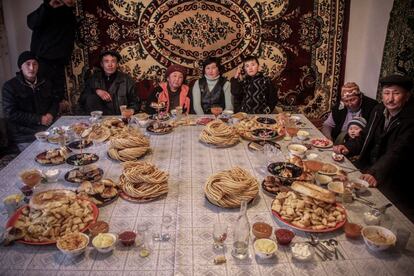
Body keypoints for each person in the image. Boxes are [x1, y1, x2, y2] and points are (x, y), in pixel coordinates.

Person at [333, 74, 414, 219]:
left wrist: (375, 172)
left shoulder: (411, 119)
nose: (390, 99)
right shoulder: (378, 110)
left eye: (396, 93)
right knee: (341, 196)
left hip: (394, 178)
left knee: (379, 217)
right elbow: (365, 136)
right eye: (386, 93)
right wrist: (348, 147)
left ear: (407, 96)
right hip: (369, 168)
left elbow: (398, 151)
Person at [2, 51, 59, 151]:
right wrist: (39, 119)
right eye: (28, 64)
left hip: (47, 129)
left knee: (66, 148)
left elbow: (55, 101)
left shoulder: (46, 82)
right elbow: (11, 114)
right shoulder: (9, 87)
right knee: (42, 156)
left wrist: (50, 114)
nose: (32, 68)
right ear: (21, 67)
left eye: (35, 64)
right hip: (24, 135)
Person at [27, 0, 77, 111]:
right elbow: (31, 23)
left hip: (59, 60)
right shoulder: (47, 8)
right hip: (43, 59)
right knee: (43, 95)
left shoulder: (68, 13)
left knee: (58, 96)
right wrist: (48, 6)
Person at [79, 50, 140, 115]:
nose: (110, 65)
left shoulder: (127, 80)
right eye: (106, 61)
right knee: (91, 98)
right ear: (102, 64)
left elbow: (135, 102)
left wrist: (131, 110)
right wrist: (96, 91)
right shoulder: (93, 79)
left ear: (117, 64)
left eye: (113, 61)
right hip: (99, 121)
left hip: (119, 119)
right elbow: (82, 99)